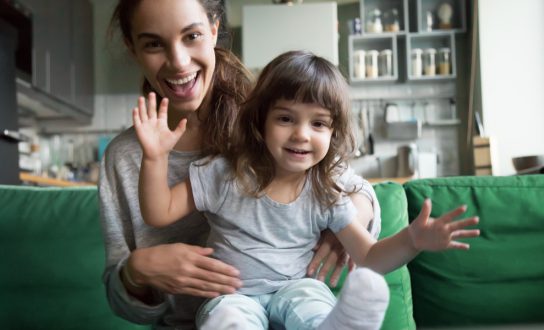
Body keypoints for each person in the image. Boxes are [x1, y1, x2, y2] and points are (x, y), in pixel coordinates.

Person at [134, 50, 480, 329]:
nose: (301, 134)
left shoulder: (326, 192)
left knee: (311, 306)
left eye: (318, 123)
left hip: (295, 288)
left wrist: (412, 240)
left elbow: (369, 257)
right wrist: (154, 157)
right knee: (227, 320)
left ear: (333, 134)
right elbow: (158, 211)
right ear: (260, 122)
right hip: (233, 295)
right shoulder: (224, 173)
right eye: (286, 118)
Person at [99, 1, 380, 328]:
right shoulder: (125, 159)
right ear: (132, 49)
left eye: (191, 36)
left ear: (214, 30)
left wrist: (343, 219)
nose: (178, 62)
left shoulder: (266, 124)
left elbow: (354, 188)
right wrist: (137, 271)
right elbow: (123, 303)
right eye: (153, 43)